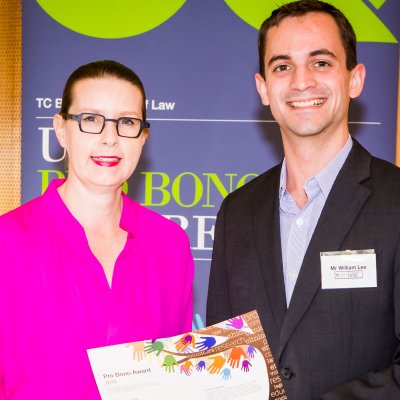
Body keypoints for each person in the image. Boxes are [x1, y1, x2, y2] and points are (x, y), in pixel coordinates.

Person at [207, 1, 400, 399]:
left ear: (355, 79)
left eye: (321, 63)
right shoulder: (237, 212)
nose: (300, 82)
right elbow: (222, 361)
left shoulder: (395, 199)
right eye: (282, 66)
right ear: (263, 87)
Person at [0, 60, 194, 399]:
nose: (110, 139)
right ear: (61, 129)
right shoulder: (8, 241)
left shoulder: (170, 245)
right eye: (90, 119)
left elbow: (177, 378)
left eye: (127, 122)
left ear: (143, 136)